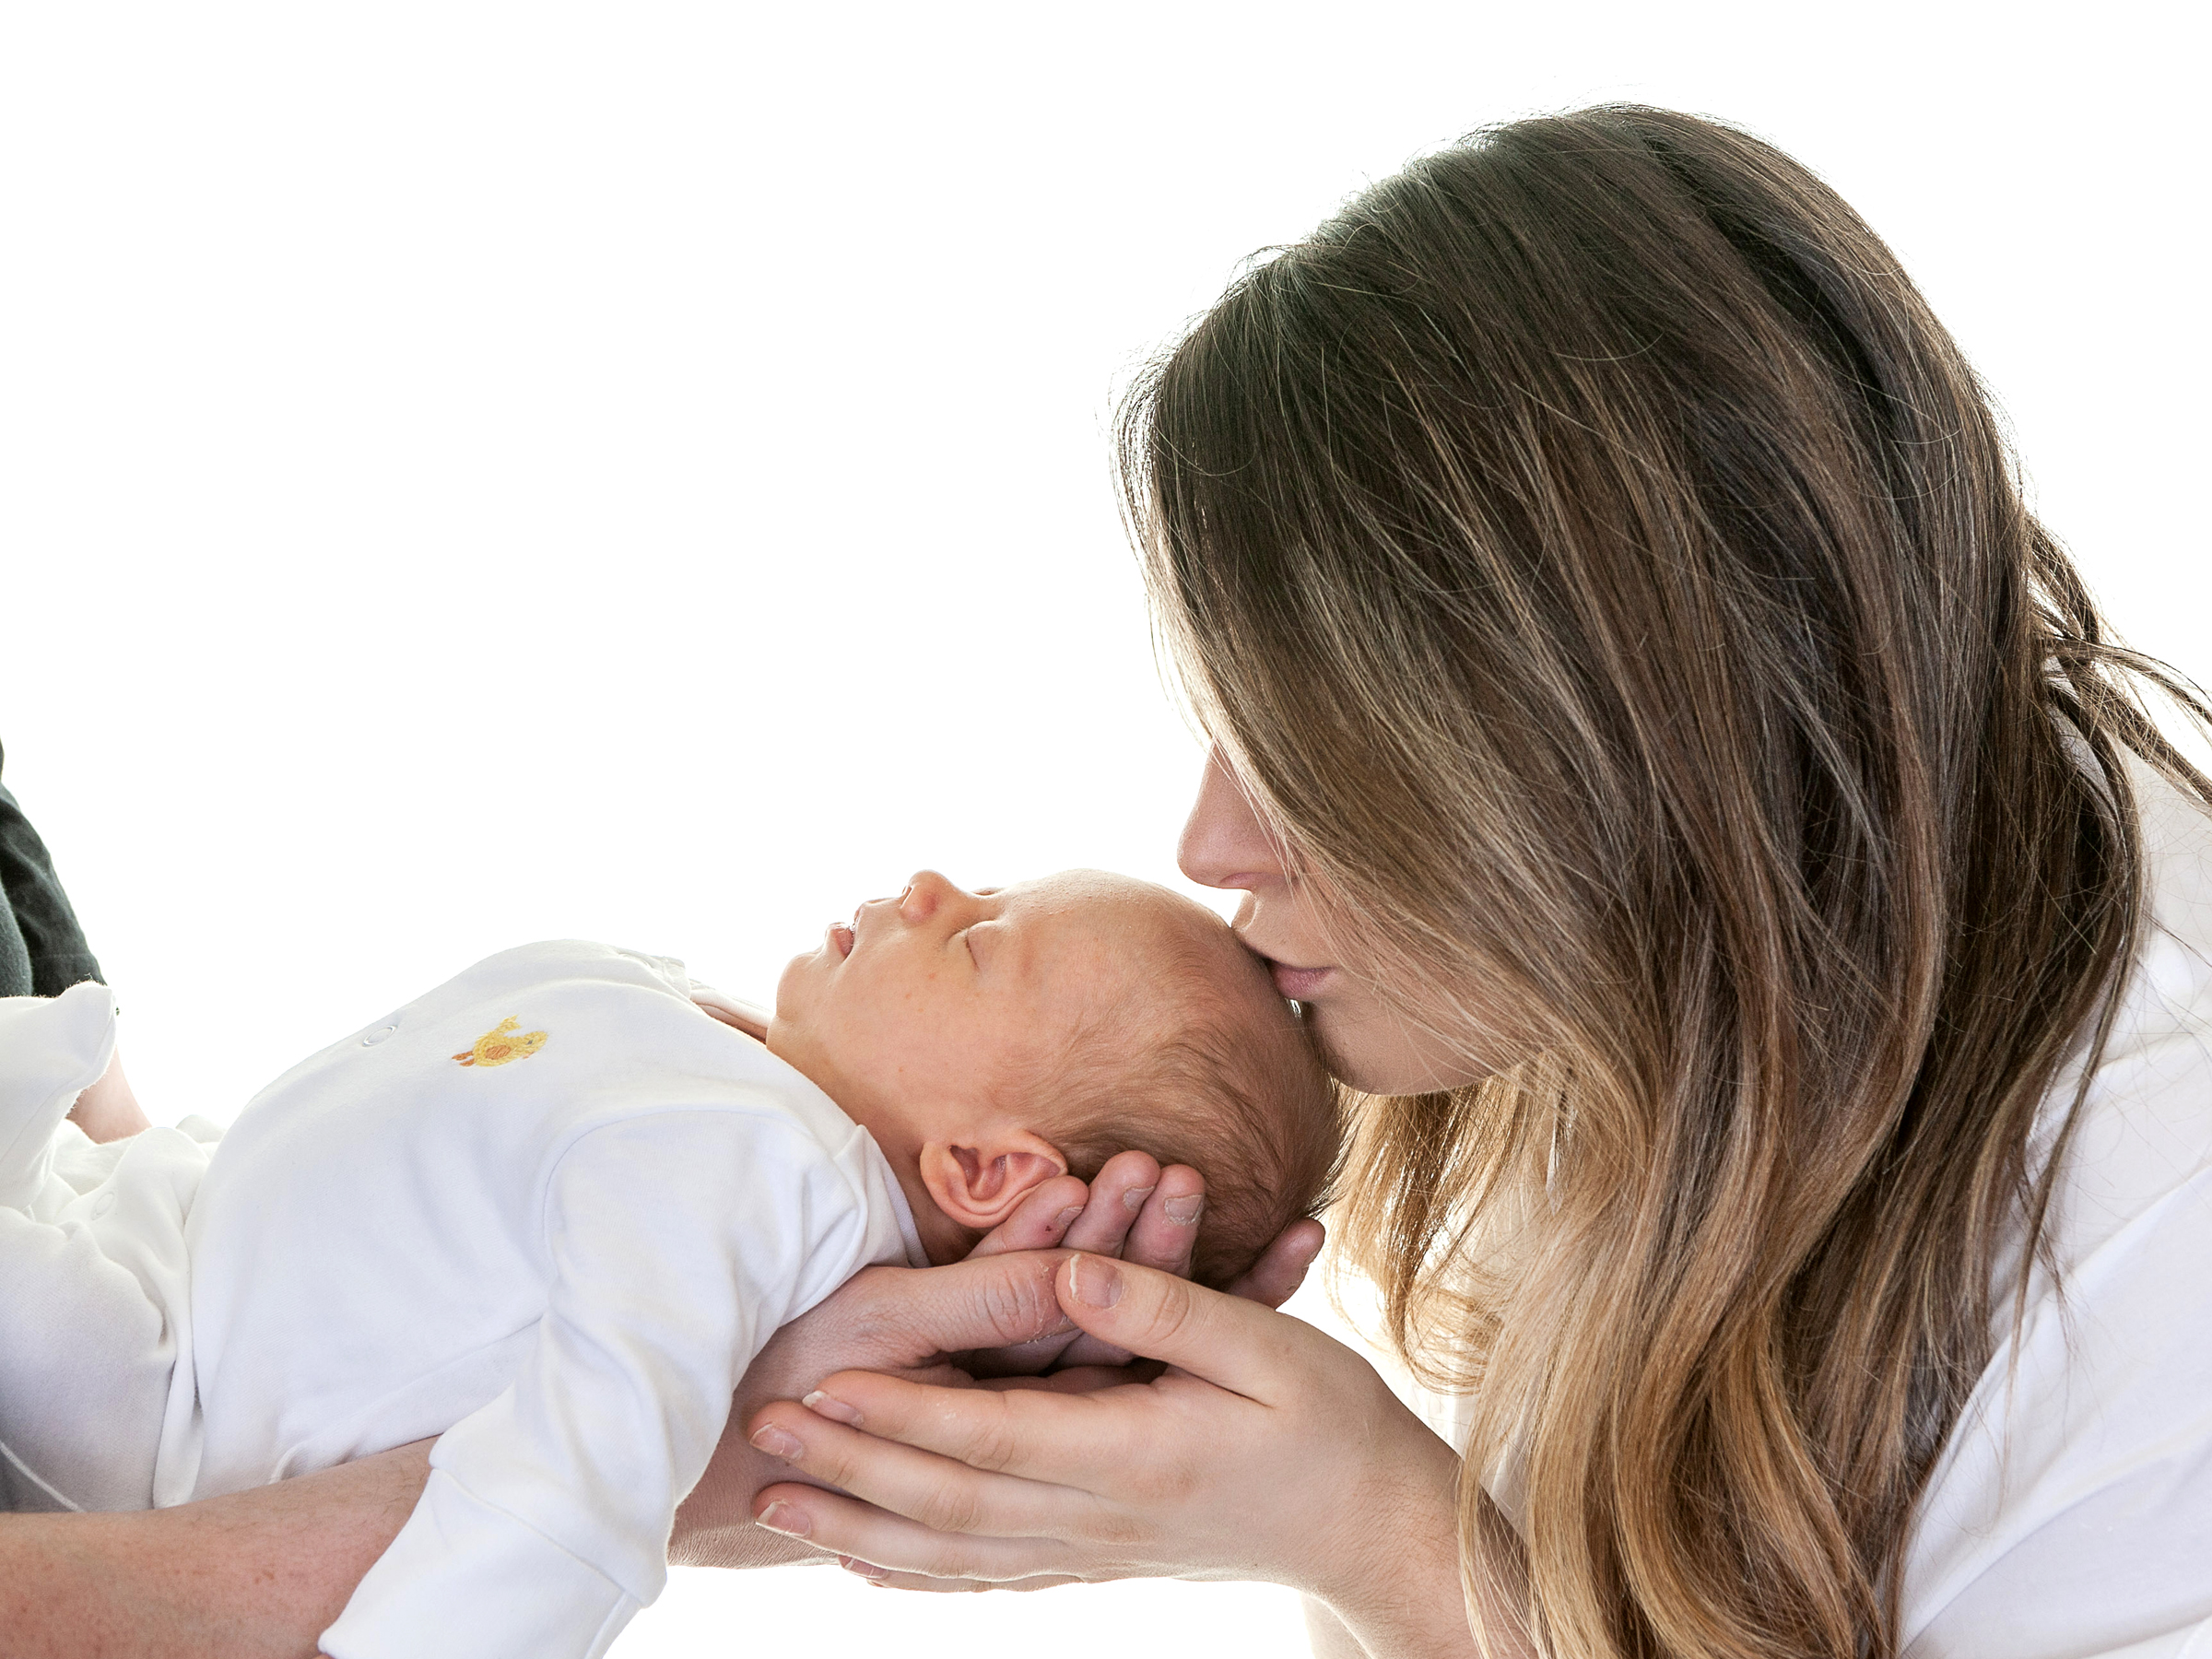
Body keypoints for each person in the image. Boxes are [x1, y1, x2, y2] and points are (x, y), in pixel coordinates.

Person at [733, 106, 2212, 1659]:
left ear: (1611, 723)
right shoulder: (1654, 1013)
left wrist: (1369, 1529)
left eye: (1304, 751)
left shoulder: (2166, 1221)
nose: (1211, 848)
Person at [0, 870, 1335, 1659]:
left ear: (986, 1175)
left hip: (153, 1393)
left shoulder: (750, 1179)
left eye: (982, 939)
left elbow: (584, 1477)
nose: (931, 888)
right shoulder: (744, 1104)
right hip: (136, 1220)